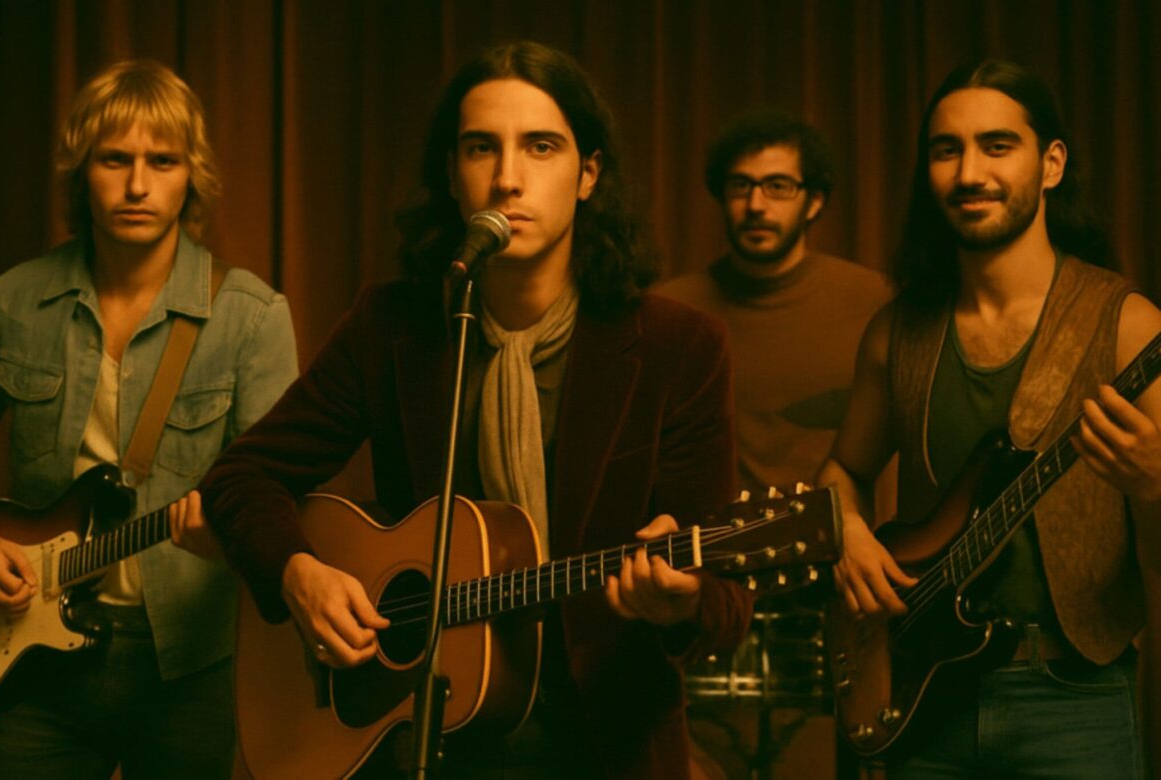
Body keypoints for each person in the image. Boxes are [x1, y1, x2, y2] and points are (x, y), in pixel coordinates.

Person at [200, 41, 753, 779]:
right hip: (427, 736)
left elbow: (727, 601)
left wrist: (681, 603)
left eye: (541, 147)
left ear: (589, 174)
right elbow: (240, 477)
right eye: (480, 148)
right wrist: (297, 572)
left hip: (608, 744)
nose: (507, 178)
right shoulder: (394, 328)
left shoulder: (678, 349)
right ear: (451, 176)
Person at [821, 58, 1160, 777]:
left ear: (1052, 164)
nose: (969, 172)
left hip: (1075, 701)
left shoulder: (1129, 328)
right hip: (924, 693)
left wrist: (1154, 485)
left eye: (997, 146)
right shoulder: (894, 333)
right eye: (947, 150)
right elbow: (843, 470)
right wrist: (845, 528)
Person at [0, 60, 298, 777]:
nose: (137, 186)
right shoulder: (13, 300)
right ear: (81, 171)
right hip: (34, 659)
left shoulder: (252, 318)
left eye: (162, 162)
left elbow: (283, 501)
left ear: (192, 176)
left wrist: (229, 542)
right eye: (114, 160)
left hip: (185, 666)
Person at [657, 108, 889, 779]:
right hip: (707, 602)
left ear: (814, 201)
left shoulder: (872, 301)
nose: (757, 204)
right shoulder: (669, 314)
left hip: (834, 607)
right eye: (741, 186)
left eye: (778, 186)